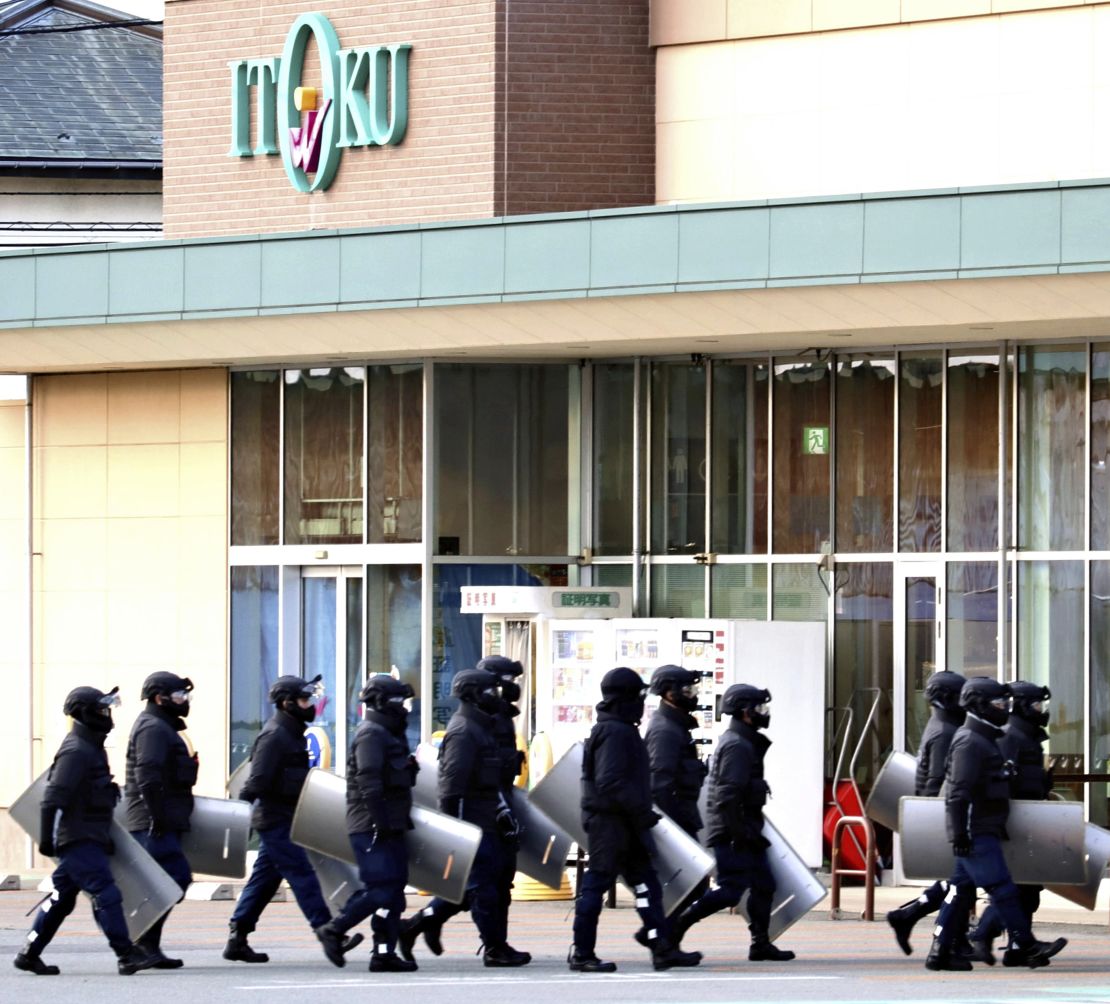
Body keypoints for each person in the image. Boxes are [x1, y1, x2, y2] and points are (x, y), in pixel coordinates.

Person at [925, 676, 1066, 971]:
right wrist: (959, 834)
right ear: (978, 705)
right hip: (976, 830)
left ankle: (939, 952)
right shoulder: (970, 742)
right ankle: (1025, 945)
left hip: (982, 826)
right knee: (1003, 888)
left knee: (960, 889)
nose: (1004, 709)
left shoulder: (981, 739)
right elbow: (958, 794)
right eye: (998, 704)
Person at [14, 686, 157, 977]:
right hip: (78, 839)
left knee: (61, 898)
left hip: (90, 837)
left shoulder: (90, 748)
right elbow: (53, 798)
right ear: (84, 713)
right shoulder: (76, 751)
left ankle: (29, 954)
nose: (107, 715)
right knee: (106, 893)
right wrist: (45, 840)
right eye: (102, 709)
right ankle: (126, 954)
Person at [567, 667, 702, 973]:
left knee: (648, 886)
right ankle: (582, 952)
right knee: (596, 885)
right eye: (639, 695)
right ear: (625, 697)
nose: (643, 700)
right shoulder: (615, 732)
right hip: (611, 823)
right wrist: (642, 812)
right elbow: (611, 782)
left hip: (625, 823)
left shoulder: (619, 728)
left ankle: (661, 948)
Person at [224, 674, 364, 966]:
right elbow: (258, 779)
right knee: (302, 875)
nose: (310, 704)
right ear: (287, 704)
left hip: (287, 816)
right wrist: (239, 813)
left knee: (264, 880)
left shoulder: (290, 732)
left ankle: (238, 937)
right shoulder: (275, 735)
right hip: (276, 819)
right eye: (304, 700)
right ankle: (327, 932)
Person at [399, 668, 530, 967]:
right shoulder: (464, 731)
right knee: (481, 887)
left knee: (486, 884)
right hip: (472, 824)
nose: (497, 697)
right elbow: (450, 788)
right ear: (474, 695)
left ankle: (416, 925)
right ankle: (495, 948)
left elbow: (491, 780)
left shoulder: (480, 727)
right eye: (490, 692)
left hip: (488, 820)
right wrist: (451, 834)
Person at [669, 683, 795, 962]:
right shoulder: (737, 746)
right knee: (730, 890)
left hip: (744, 827)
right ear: (746, 712)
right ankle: (677, 926)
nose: (764, 713)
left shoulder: (744, 741)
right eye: (759, 708)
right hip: (732, 830)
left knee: (764, 884)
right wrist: (739, 834)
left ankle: (760, 943)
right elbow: (727, 795)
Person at [315, 674, 419, 972]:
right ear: (381, 702)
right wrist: (380, 822)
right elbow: (369, 782)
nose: (404, 706)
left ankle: (383, 953)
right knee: (381, 890)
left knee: (394, 894)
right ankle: (333, 930)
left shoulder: (390, 733)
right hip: (372, 825)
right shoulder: (371, 734)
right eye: (399, 700)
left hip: (391, 823)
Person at [966, 681, 1054, 965]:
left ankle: (1016, 946)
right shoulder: (1011, 737)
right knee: (1016, 888)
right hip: (1013, 824)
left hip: (1027, 821)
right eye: (1038, 704)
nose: (1042, 711)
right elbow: (1002, 782)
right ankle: (984, 934)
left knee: (1027, 889)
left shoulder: (1026, 736)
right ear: (1023, 706)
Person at [886, 670, 966, 954]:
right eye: (959, 696)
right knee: (962, 879)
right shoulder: (945, 731)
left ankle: (909, 917)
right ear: (946, 700)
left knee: (959, 879)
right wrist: (943, 820)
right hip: (941, 814)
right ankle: (949, 939)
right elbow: (937, 781)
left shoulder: (942, 724)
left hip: (939, 814)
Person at [124, 671, 199, 969]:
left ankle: (147, 945)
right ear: (159, 698)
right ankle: (140, 942)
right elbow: (148, 775)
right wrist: (157, 817)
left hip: (162, 818)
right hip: (152, 821)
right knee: (173, 879)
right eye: (180, 696)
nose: (185, 702)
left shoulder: (161, 727)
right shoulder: (153, 728)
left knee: (166, 883)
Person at [641, 664, 707, 940]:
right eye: (686, 690)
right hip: (674, 818)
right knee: (689, 882)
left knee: (693, 882)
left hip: (682, 814)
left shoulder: (675, 725)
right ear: (668, 693)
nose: (692, 695)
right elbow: (660, 782)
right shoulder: (665, 730)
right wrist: (670, 828)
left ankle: (663, 935)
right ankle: (661, 935)